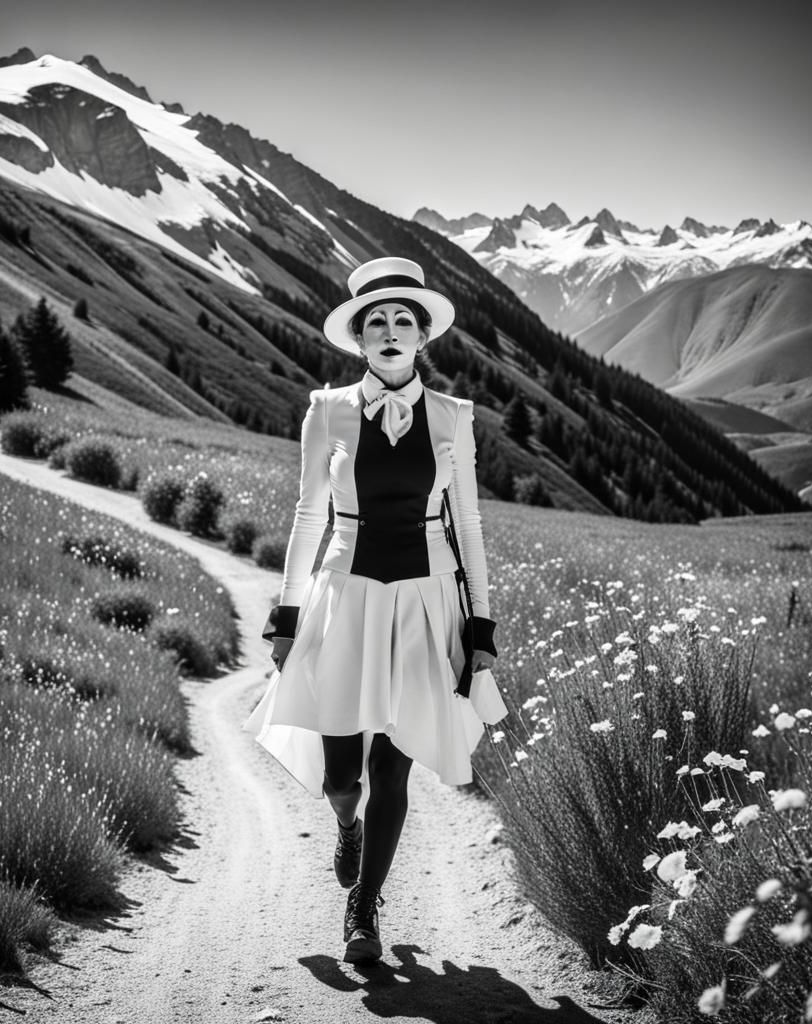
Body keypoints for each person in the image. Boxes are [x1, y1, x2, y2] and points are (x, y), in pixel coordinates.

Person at [244, 256, 507, 964]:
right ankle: (345, 824)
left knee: (395, 767)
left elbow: (470, 523)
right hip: (345, 597)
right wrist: (288, 613)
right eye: (377, 323)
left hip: (427, 601)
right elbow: (308, 515)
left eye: (403, 322)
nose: (390, 332)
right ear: (359, 340)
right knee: (342, 778)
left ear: (423, 338)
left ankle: (363, 911)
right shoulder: (325, 410)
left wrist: (480, 626)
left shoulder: (455, 417)